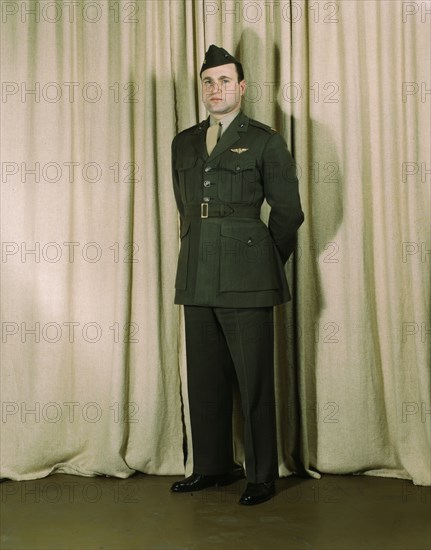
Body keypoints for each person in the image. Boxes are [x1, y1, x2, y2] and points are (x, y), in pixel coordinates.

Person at [170, 45, 304, 505]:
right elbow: (186, 207)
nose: (215, 89)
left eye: (225, 80)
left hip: (247, 275)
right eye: (208, 81)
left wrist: (262, 260)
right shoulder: (184, 142)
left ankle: (262, 474)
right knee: (204, 379)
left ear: (242, 87)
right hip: (196, 270)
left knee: (253, 381)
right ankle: (212, 466)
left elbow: (288, 212)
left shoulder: (265, 140)